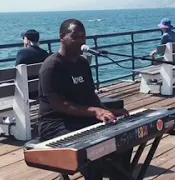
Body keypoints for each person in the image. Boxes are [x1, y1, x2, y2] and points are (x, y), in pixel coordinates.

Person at [37, 19, 132, 180]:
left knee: (124, 135)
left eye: (84, 37)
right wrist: (95, 111)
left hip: (81, 119)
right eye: (76, 37)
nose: (82, 41)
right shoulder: (51, 66)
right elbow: (59, 105)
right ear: (62, 37)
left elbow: (91, 96)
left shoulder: (82, 63)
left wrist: (108, 112)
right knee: (93, 149)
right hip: (55, 123)